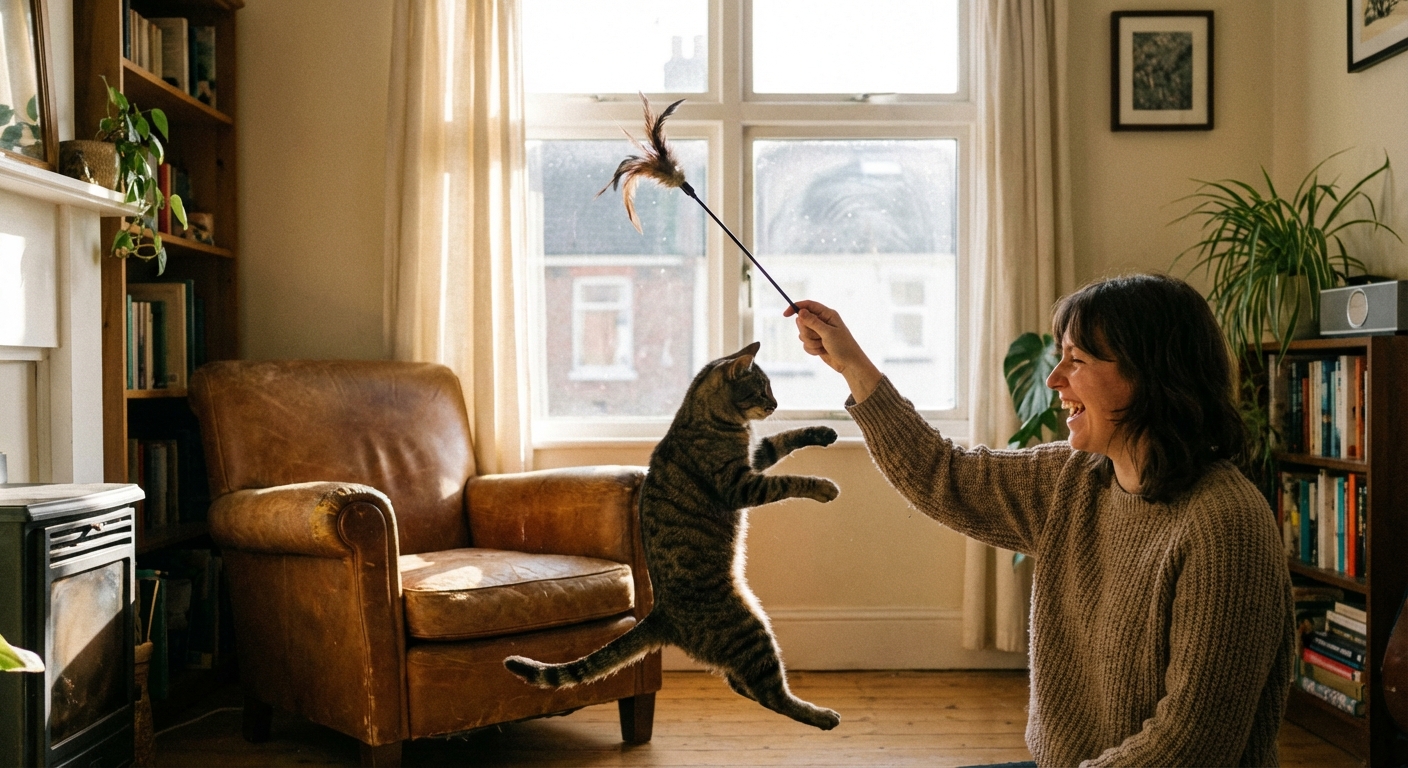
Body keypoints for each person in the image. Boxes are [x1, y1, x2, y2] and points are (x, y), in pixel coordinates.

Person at [786, 273, 1295, 767]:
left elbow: (1192, 746)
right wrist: (850, 361)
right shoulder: (1072, 479)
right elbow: (942, 475)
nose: (1054, 379)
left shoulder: (1226, 526)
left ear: (1151, 375)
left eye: (1077, 360)